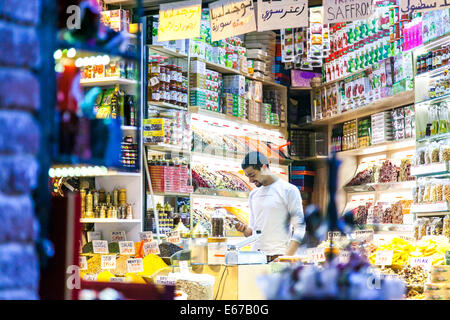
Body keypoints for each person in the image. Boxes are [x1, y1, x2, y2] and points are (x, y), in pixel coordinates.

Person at [235, 152, 306, 262]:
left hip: (278, 256)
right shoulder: (253, 195)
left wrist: (286, 258)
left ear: (263, 167)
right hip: (255, 259)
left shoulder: (288, 190)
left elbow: (300, 228)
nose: (250, 180)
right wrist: (244, 229)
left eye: (252, 175)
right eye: (247, 176)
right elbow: (253, 232)